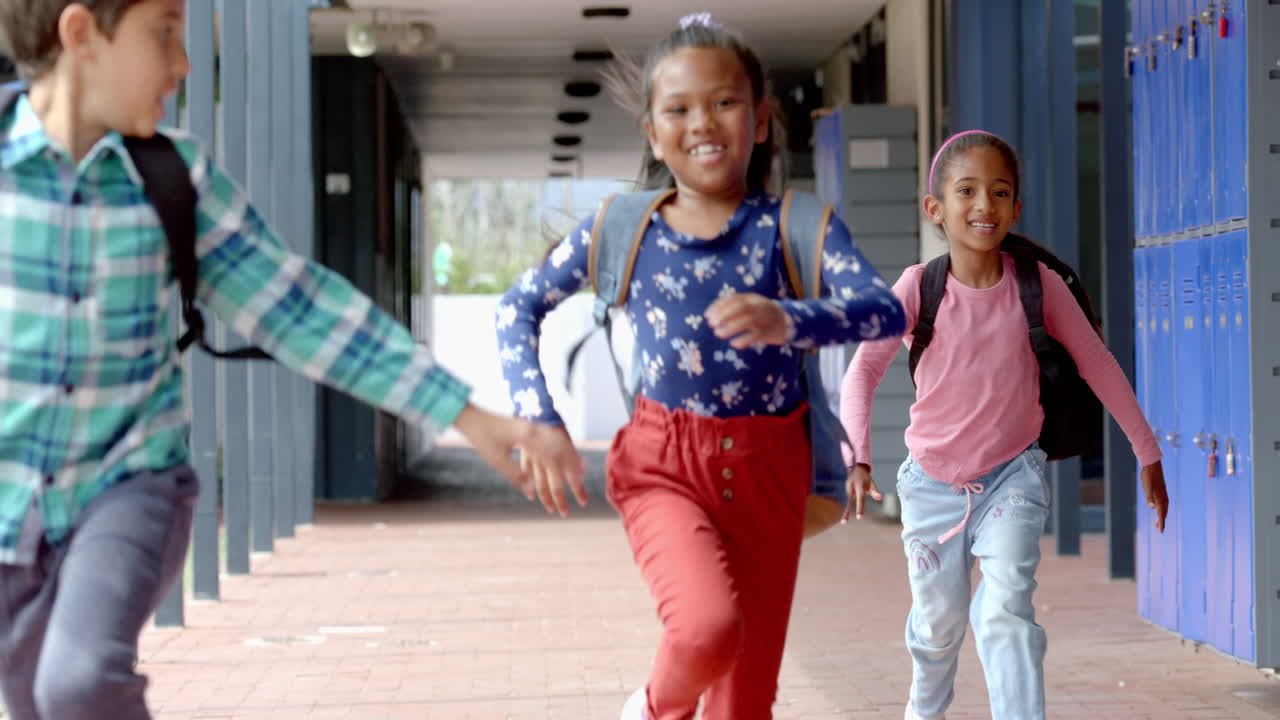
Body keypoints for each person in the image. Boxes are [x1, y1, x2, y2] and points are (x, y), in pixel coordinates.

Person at [0, 2, 583, 718]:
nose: (183, 65)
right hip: (8, 500)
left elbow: (300, 309)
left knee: (80, 681)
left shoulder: (175, 182)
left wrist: (464, 414)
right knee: (30, 699)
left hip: (127, 486)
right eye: (164, 33)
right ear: (81, 33)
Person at [495, 12, 905, 720]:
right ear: (653, 134)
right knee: (707, 630)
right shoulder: (621, 227)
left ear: (762, 119)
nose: (703, 122)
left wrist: (792, 319)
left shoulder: (799, 225)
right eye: (677, 109)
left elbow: (886, 311)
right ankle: (655, 709)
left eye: (724, 101)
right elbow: (516, 308)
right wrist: (538, 418)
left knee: (745, 705)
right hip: (663, 467)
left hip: (770, 468)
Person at [839, 129, 1170, 720]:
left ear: (1015, 208)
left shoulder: (1035, 285)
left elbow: (1097, 362)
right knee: (940, 625)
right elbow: (863, 370)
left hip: (1012, 478)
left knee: (1005, 610)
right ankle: (925, 709)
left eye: (998, 192)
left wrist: (1147, 451)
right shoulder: (920, 287)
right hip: (930, 486)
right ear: (935, 209)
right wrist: (857, 457)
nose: (983, 206)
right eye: (966, 191)